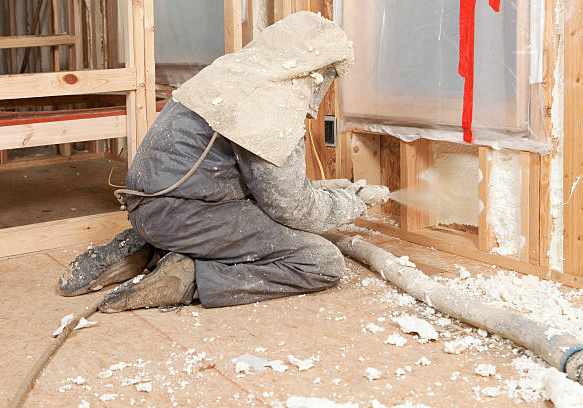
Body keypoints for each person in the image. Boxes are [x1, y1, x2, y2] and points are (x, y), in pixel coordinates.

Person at [58, 12, 389, 312]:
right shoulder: (273, 105)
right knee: (319, 261)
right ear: (315, 72)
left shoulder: (232, 75)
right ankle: (190, 278)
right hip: (181, 216)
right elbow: (291, 208)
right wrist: (351, 204)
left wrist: (333, 191)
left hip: (151, 206)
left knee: (259, 217)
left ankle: (143, 247)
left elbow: (268, 186)